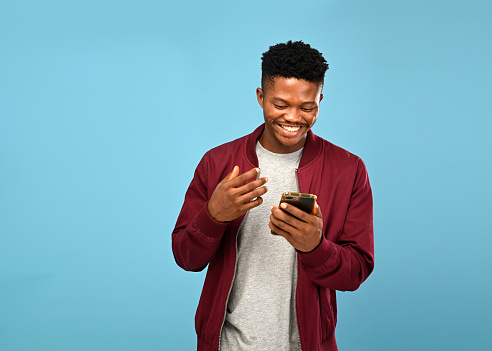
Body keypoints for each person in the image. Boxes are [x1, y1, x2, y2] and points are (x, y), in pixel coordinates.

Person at [172, 40, 374, 351]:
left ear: (320, 99)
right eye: (280, 105)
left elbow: (356, 271)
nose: (294, 118)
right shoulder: (217, 163)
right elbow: (185, 257)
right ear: (260, 97)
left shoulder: (349, 170)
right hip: (226, 344)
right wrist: (213, 218)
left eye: (307, 107)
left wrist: (316, 248)